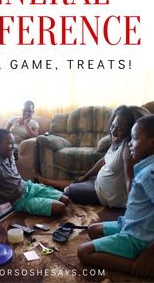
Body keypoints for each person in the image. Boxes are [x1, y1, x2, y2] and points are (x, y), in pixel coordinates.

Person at [77, 115, 154, 279]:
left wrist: (148, 254)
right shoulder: (146, 166)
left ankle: (142, 266)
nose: (131, 143)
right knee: (92, 229)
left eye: (134, 138)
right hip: (132, 224)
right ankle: (127, 250)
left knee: (84, 252)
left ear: (152, 142)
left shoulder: (151, 173)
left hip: (139, 237)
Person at [35, 105, 149, 208]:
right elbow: (104, 160)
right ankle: (46, 181)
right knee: (76, 182)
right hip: (98, 184)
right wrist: (84, 176)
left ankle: (46, 185)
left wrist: (132, 208)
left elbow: (130, 179)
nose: (113, 132)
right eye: (112, 126)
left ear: (129, 131)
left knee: (68, 190)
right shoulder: (116, 143)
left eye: (119, 129)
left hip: (107, 195)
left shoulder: (126, 147)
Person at [0, 129, 69, 225]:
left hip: (30, 187)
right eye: (9, 143)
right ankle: (32, 205)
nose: (13, 146)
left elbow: (7, 179)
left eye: (13, 143)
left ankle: (42, 200)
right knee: (61, 208)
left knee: (66, 200)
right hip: (21, 200)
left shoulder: (10, 154)